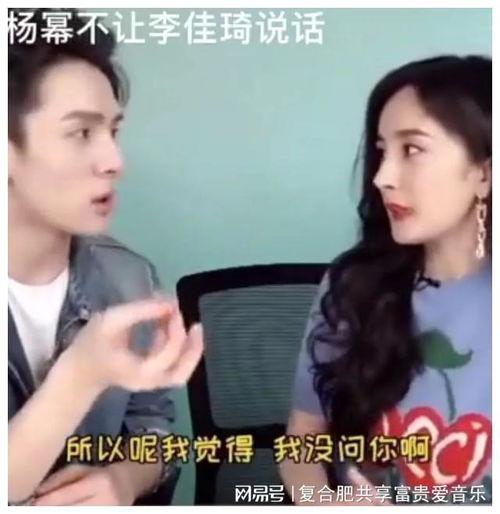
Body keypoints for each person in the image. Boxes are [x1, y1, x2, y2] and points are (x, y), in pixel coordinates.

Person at [8, 8, 204, 505]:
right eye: (81, 133)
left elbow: (154, 429)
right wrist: (80, 376)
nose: (115, 161)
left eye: (113, 132)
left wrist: (126, 479)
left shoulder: (128, 277)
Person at [280, 55, 492, 505]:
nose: (382, 177)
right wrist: (322, 503)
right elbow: (301, 443)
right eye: (381, 151)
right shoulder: (355, 286)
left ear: (484, 173)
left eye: (411, 150)